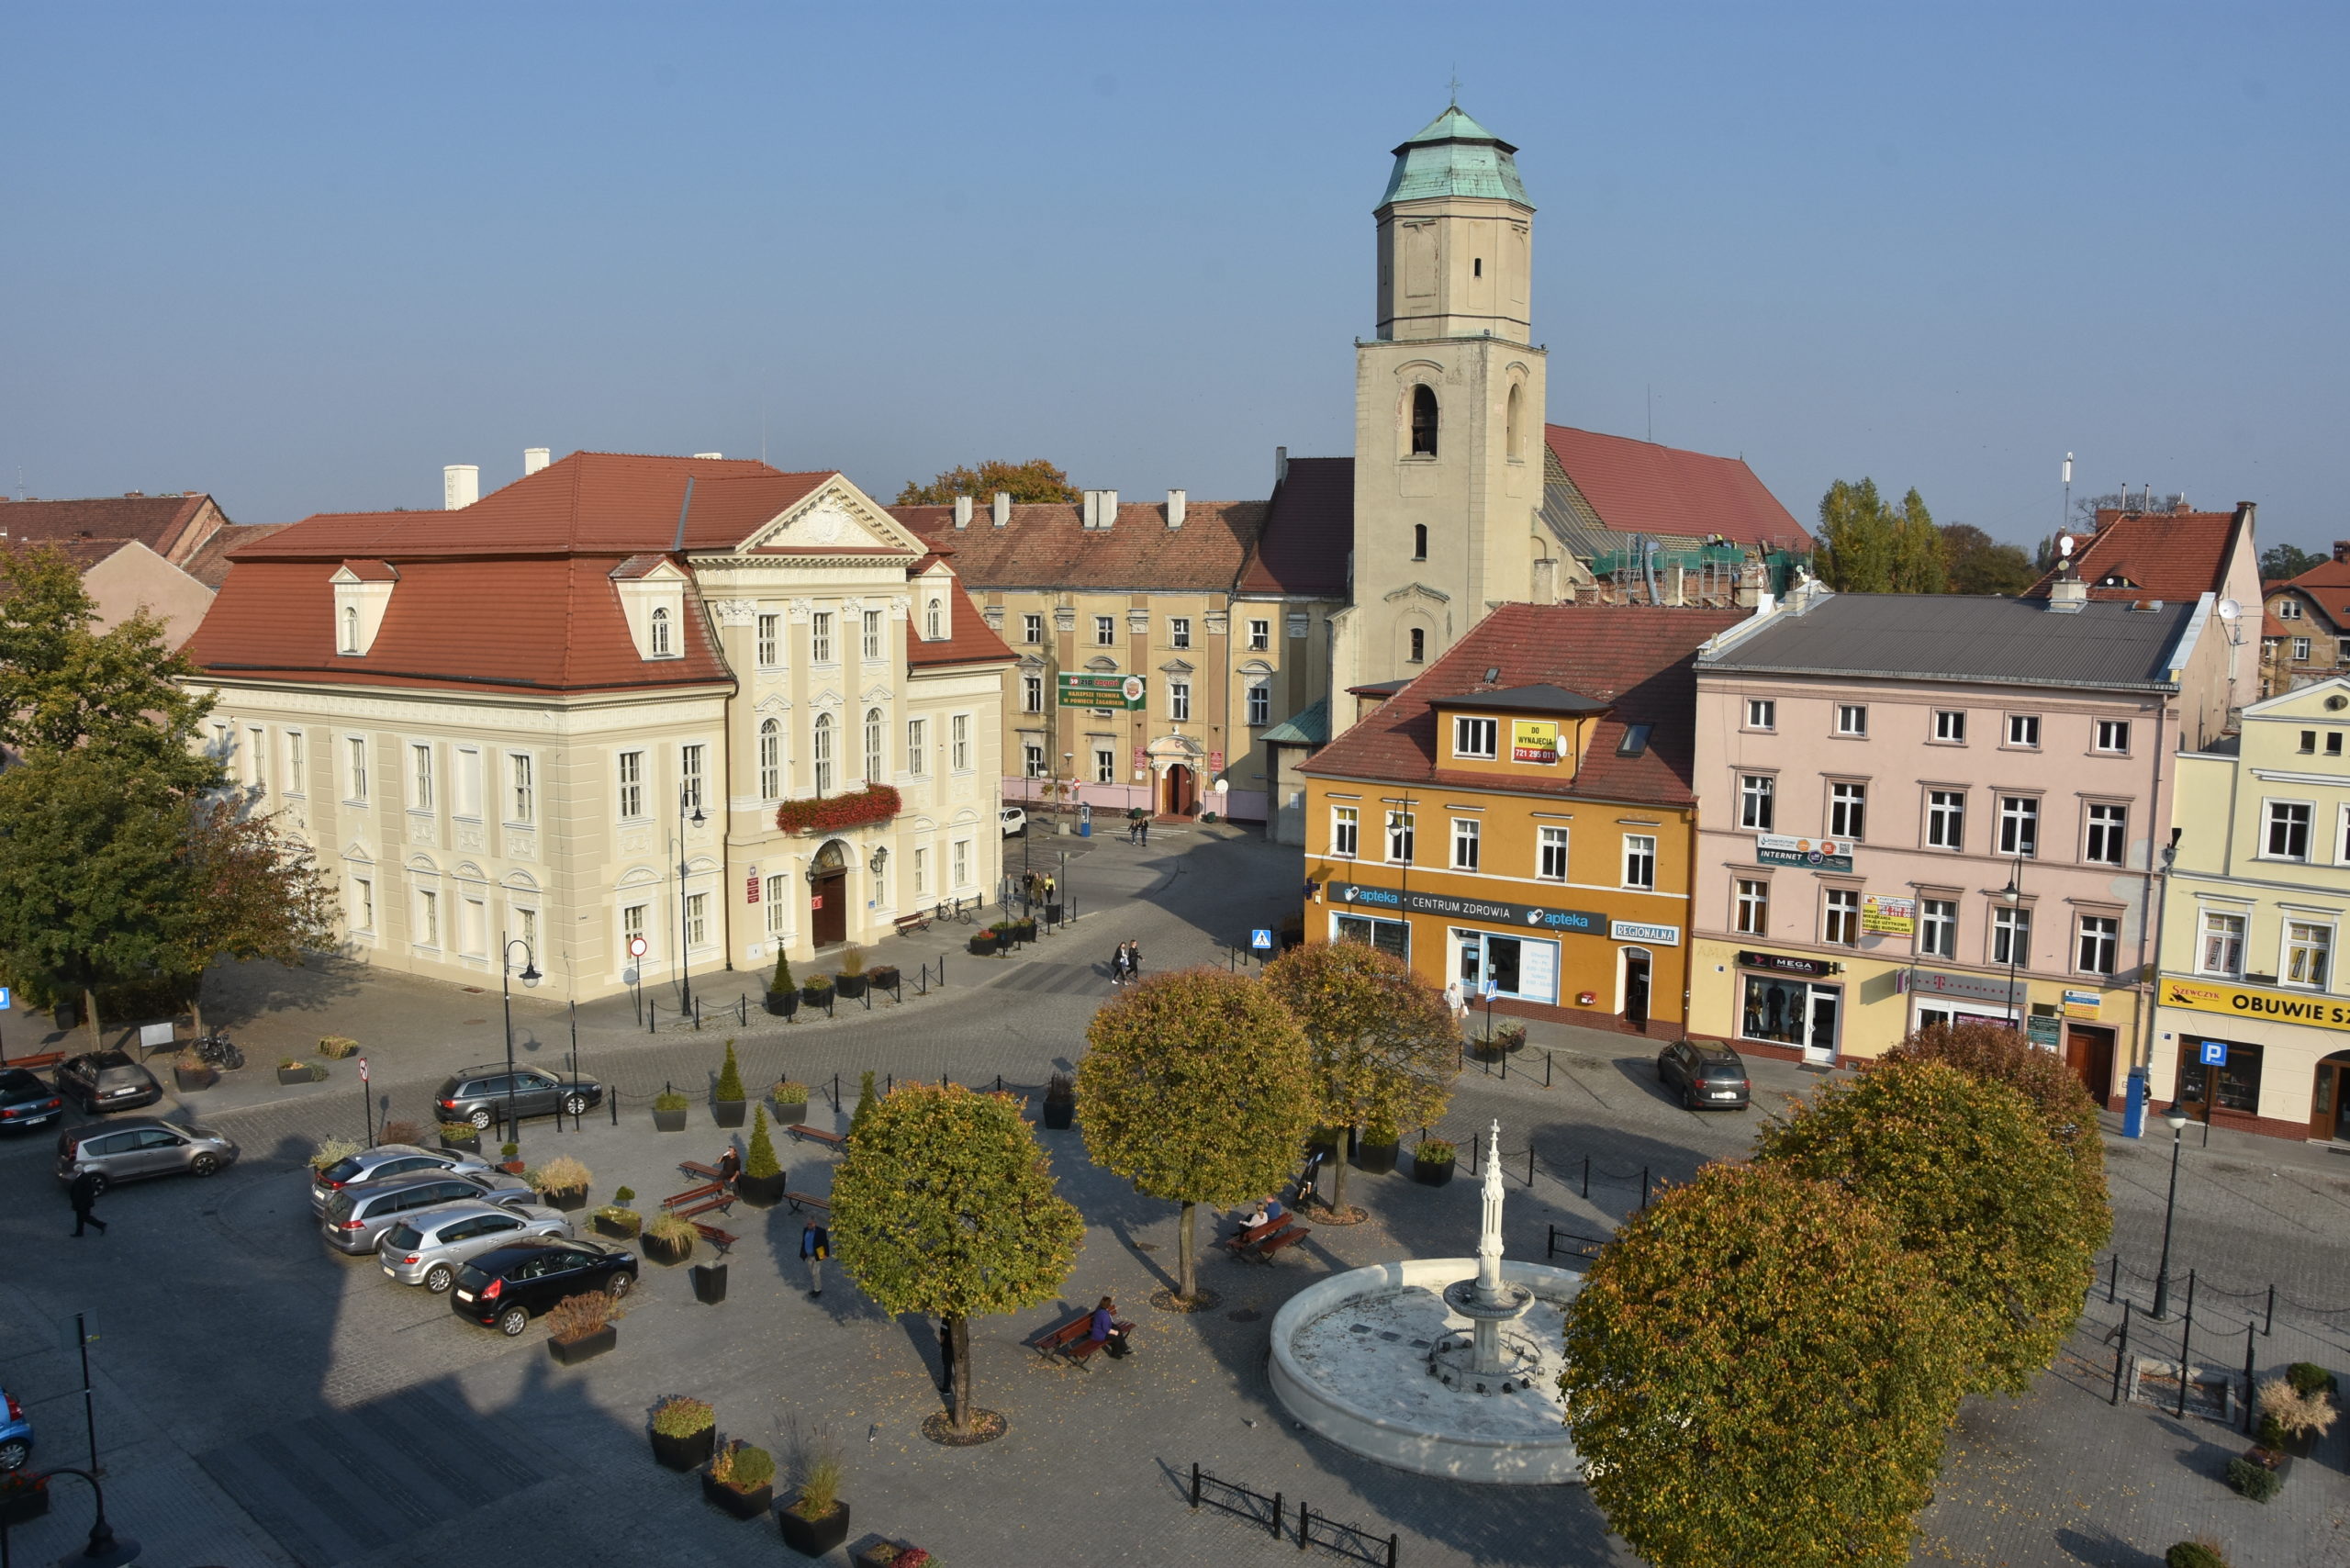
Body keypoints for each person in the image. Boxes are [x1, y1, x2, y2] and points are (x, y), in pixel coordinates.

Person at [1089, 1295, 1131, 1359]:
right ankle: (1115, 1354)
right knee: (1115, 1338)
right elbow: (1106, 1329)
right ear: (1108, 1305)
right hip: (1100, 1334)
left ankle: (1124, 1348)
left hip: (1104, 1327)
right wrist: (1114, 1332)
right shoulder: (1104, 1315)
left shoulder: (1100, 1308)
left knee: (1118, 1329)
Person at [68, 1170, 106, 1237]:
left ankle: (101, 1224)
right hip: (86, 1202)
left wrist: (74, 1205)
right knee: (81, 1218)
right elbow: (91, 1188)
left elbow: (77, 1194)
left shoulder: (79, 1180)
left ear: (77, 1171)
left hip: (82, 1204)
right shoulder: (87, 1176)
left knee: (85, 1217)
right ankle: (79, 1232)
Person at [800, 1216, 830, 1297]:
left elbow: (825, 1242)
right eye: (808, 1224)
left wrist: (826, 1254)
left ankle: (818, 1290)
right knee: (812, 1273)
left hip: (817, 1255)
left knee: (815, 1273)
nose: (809, 1225)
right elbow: (804, 1242)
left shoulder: (821, 1231)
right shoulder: (805, 1230)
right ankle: (816, 1287)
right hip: (808, 1256)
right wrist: (803, 1252)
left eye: (810, 1224)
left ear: (815, 1223)